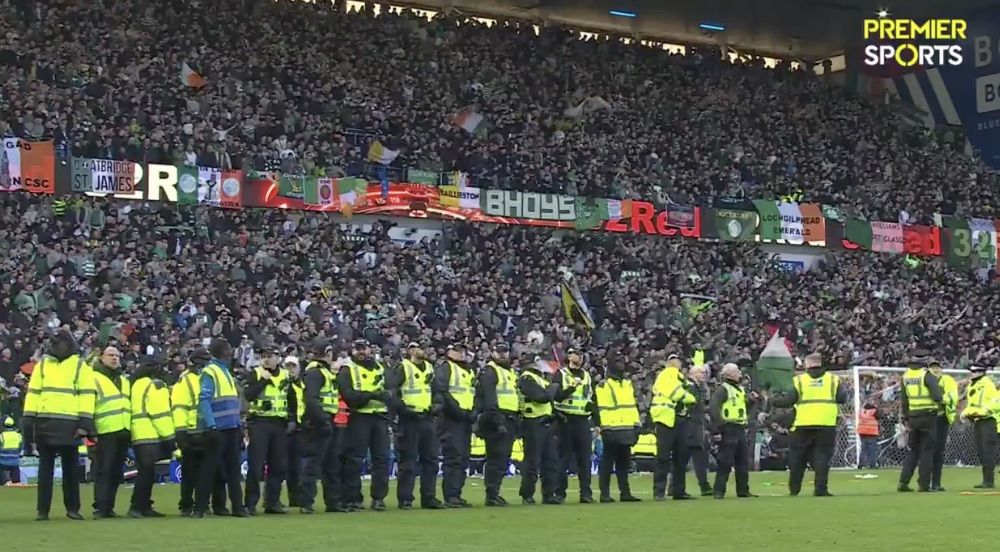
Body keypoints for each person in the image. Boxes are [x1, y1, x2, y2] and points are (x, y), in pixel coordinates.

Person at [22, 331, 96, 521]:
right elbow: (33, 393)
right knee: (45, 471)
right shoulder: (43, 365)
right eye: (52, 343)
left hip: (70, 425)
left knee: (70, 470)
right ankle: (42, 511)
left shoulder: (80, 366)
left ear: (68, 344)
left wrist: (84, 424)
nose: (54, 347)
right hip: (45, 423)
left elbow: (87, 395)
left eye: (58, 343)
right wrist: (29, 419)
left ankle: (72, 509)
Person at [771, 353, 847, 497]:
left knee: (797, 458)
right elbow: (842, 398)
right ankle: (820, 489)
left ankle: (794, 490)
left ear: (807, 365)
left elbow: (789, 400)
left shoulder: (799, 380)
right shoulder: (834, 380)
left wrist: (771, 401)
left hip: (802, 425)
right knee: (822, 458)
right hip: (826, 424)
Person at [193, 339, 248, 518]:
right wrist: (211, 425)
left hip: (231, 427)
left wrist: (239, 425)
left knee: (233, 469)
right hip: (218, 429)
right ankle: (199, 508)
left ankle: (238, 507)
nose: (231, 352)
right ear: (222, 352)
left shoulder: (225, 371)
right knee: (209, 469)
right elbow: (204, 399)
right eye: (228, 349)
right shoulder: (211, 371)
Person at [389, 342, 445, 509]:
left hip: (427, 418)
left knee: (431, 460)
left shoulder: (429, 367)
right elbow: (393, 391)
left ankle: (429, 497)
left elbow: (436, 391)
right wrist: (403, 409)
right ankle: (405, 498)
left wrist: (437, 405)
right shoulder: (403, 368)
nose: (425, 350)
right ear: (412, 351)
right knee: (409, 461)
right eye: (420, 347)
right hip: (409, 420)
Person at [338, 339, 391, 511]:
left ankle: (379, 498)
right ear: (352, 350)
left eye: (364, 348)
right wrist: (373, 395)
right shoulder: (348, 369)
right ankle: (353, 498)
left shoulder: (380, 367)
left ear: (370, 349)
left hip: (379, 417)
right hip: (358, 417)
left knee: (382, 459)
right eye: (358, 349)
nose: (362, 352)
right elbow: (348, 395)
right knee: (354, 459)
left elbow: (391, 391)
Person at [172, 348, 222, 517]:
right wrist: (181, 433)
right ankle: (186, 504)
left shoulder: (206, 377)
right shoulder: (185, 380)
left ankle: (201, 504)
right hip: (192, 431)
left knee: (205, 472)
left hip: (205, 429)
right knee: (190, 472)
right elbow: (179, 407)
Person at [243, 347, 293, 515]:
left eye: (269, 356)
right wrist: (264, 381)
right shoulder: (256, 373)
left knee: (278, 465)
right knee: (256, 466)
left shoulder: (286, 375)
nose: (265, 359)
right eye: (263, 356)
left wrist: (292, 419)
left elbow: (291, 398)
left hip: (279, 423)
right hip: (259, 423)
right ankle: (250, 503)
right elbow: (248, 395)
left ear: (277, 358)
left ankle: (272, 502)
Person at [299, 342, 345, 514]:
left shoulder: (324, 372)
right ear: (327, 353)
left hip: (328, 420)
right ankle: (306, 502)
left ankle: (332, 502)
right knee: (313, 463)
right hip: (318, 422)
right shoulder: (315, 372)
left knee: (332, 463)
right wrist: (323, 420)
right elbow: (311, 399)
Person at [128, 358, 175, 518]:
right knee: (147, 473)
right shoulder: (156, 385)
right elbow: (159, 413)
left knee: (144, 471)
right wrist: (169, 437)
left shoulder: (136, 384)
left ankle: (143, 505)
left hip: (137, 432)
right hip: (150, 433)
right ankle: (138, 506)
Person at [593, 356, 642, 503]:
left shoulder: (627, 384)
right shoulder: (604, 385)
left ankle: (625, 492)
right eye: (618, 362)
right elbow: (601, 408)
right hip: (612, 428)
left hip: (626, 428)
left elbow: (631, 406)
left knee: (623, 463)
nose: (621, 365)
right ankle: (605, 494)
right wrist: (604, 427)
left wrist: (636, 425)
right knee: (608, 463)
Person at [91, 346, 131, 518]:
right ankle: (100, 507)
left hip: (123, 429)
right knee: (104, 470)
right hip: (104, 430)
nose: (115, 358)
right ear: (101, 357)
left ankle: (109, 507)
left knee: (116, 471)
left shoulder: (123, 379)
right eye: (111, 355)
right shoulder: (93, 377)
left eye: (117, 355)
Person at [434, 343, 476, 508]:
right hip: (451, 419)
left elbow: (473, 393)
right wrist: (457, 410)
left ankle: (456, 493)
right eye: (457, 350)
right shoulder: (446, 367)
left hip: (465, 418)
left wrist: (473, 412)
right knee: (454, 457)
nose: (461, 353)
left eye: (462, 351)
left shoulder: (468, 370)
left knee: (463, 457)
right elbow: (442, 391)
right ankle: (451, 495)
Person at [478, 343, 520, 507]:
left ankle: (495, 492)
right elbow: (489, 398)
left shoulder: (508, 371)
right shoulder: (490, 371)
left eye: (505, 351)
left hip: (508, 418)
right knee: (496, 457)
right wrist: (497, 421)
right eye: (499, 352)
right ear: (492, 353)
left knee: (503, 458)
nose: (503, 355)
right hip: (497, 418)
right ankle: (491, 494)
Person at [650, 356, 696, 501]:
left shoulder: (678, 378)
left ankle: (676, 490)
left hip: (675, 418)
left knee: (679, 457)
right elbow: (677, 394)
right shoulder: (669, 374)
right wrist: (691, 398)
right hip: (667, 419)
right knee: (665, 457)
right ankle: (662, 491)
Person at [517, 355, 561, 505]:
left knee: (551, 460)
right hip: (532, 422)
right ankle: (527, 494)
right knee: (533, 461)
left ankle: (549, 493)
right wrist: (551, 389)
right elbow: (540, 397)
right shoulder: (526, 378)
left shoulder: (540, 379)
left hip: (545, 421)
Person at [897, 351, 944, 493]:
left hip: (913, 417)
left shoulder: (905, 376)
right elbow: (937, 396)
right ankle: (924, 485)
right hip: (928, 416)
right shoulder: (926, 375)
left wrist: (906, 417)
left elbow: (904, 400)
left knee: (913, 451)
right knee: (927, 451)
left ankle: (903, 482)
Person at [709, 363, 757, 499]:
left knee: (742, 461)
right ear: (729, 374)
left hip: (739, 427)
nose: (740, 374)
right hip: (728, 427)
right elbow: (714, 408)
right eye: (737, 372)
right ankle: (719, 491)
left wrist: (751, 401)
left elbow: (740, 408)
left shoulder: (739, 390)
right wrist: (716, 429)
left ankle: (743, 490)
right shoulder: (722, 389)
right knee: (725, 461)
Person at [553, 347, 594, 504]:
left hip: (583, 420)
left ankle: (586, 493)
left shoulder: (587, 376)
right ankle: (559, 493)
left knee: (585, 459)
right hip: (566, 420)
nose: (580, 357)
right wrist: (571, 387)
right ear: (569, 356)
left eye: (581, 355)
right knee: (564, 458)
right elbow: (556, 396)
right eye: (576, 354)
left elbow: (589, 398)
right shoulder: (561, 374)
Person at [960, 365, 998, 489]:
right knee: (981, 450)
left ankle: (989, 481)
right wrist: (965, 413)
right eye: (972, 371)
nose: (973, 373)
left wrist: (985, 411)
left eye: (976, 371)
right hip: (976, 420)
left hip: (988, 420)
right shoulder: (972, 385)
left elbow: (995, 401)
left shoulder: (987, 383)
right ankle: (986, 480)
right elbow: (973, 403)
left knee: (988, 451)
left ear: (982, 372)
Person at [684, 364, 713, 496]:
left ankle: (704, 486)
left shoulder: (696, 387)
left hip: (695, 426)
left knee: (691, 458)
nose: (704, 375)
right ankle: (704, 486)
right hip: (692, 427)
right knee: (694, 457)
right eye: (701, 373)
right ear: (693, 374)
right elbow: (693, 407)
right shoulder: (690, 387)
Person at [929, 360, 957, 492]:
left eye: (937, 367)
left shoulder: (947, 380)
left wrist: (940, 399)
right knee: (927, 451)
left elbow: (952, 396)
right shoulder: (926, 380)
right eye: (933, 368)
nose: (935, 370)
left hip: (942, 419)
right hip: (928, 419)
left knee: (938, 451)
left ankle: (936, 482)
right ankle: (925, 481)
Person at [283, 355, 304, 508]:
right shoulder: (282, 384)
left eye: (293, 366)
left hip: (300, 427)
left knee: (296, 465)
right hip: (283, 427)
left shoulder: (303, 385)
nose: (291, 369)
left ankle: (296, 497)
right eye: (288, 366)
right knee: (284, 465)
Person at [857, 402, 881, 469]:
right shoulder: (873, 411)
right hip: (871, 432)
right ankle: (872, 464)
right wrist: (876, 407)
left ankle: (861, 464)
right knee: (872, 449)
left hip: (862, 432)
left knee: (863, 449)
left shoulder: (862, 411)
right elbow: (879, 416)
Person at [0, 416, 22, 484]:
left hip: (2, 463)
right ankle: (16, 481)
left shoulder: (1, 436)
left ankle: (5, 481)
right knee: (16, 482)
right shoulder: (19, 435)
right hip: (15, 462)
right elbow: (21, 448)